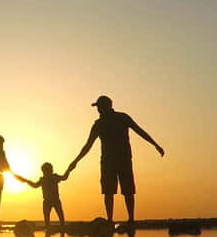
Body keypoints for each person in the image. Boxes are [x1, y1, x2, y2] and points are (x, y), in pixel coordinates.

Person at [66, 95, 164, 224]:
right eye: (98, 107)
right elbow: (88, 145)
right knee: (109, 192)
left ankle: (130, 220)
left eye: (100, 107)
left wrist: (155, 144)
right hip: (109, 161)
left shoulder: (121, 118)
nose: (99, 110)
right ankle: (112, 220)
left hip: (121, 160)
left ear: (108, 106)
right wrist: (75, 162)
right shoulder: (99, 124)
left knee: (127, 191)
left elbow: (139, 131)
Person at [14, 162, 69, 229]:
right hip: (47, 201)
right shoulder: (43, 180)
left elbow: (64, 177)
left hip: (55, 200)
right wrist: (26, 181)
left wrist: (69, 169)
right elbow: (34, 185)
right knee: (47, 219)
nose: (48, 172)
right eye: (46, 170)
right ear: (44, 171)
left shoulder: (54, 177)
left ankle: (61, 228)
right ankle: (49, 229)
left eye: (49, 170)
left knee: (60, 217)